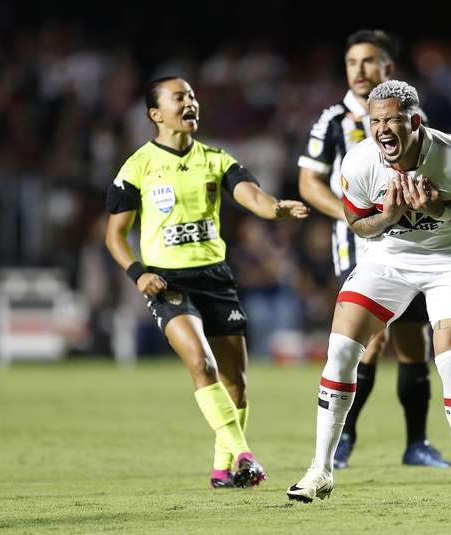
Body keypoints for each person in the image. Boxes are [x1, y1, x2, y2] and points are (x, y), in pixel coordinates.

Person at [288, 80, 451, 506]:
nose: (383, 128)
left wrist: (442, 210)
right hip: (387, 258)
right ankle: (320, 470)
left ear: (415, 121)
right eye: (376, 120)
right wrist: (387, 215)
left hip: (450, 259)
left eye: (392, 120)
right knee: (340, 351)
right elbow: (356, 221)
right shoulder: (361, 162)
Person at [104, 76, 308, 489]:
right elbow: (114, 235)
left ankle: (222, 470)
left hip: (215, 278)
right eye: (180, 97)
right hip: (167, 282)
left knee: (237, 384)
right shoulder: (137, 166)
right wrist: (138, 272)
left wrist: (275, 210)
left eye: (193, 96)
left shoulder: (215, 159)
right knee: (202, 363)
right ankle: (245, 455)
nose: (190, 102)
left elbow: (250, 194)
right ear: (156, 114)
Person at [297, 29, 451, 469]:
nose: (359, 71)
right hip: (358, 244)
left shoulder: (409, 116)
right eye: (351, 63)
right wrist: (350, 215)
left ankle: (416, 445)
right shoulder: (331, 121)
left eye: (368, 62)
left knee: (412, 340)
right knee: (371, 337)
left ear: (389, 69)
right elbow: (309, 182)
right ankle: (343, 440)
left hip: (412, 242)